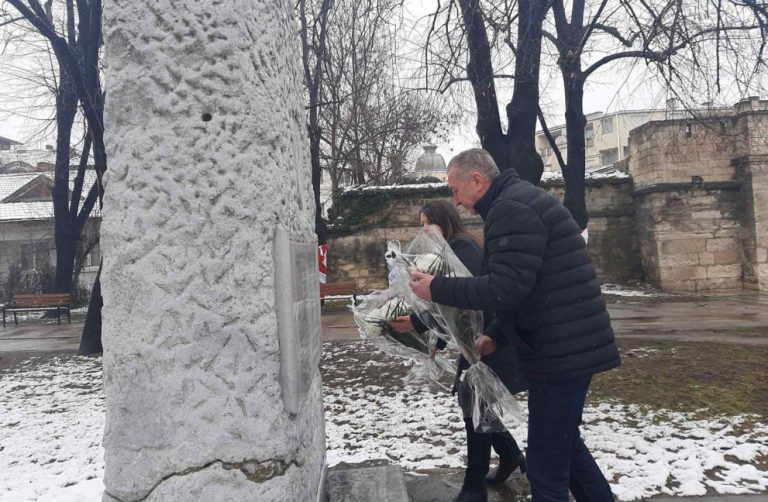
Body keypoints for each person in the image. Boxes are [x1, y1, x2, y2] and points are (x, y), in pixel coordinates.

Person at [409, 149, 620, 502]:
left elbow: (503, 289)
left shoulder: (511, 208)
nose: (456, 201)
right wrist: (495, 334)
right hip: (565, 346)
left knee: (546, 469)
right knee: (566, 450)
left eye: (455, 189)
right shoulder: (516, 202)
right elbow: (528, 287)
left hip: (561, 351)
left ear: (477, 180)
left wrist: (435, 287)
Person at [388, 200, 525, 502]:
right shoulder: (452, 247)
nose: (424, 229)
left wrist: (416, 322)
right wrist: (435, 337)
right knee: (478, 406)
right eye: (421, 223)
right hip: (477, 342)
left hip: (489, 341)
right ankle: (511, 455)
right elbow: (448, 307)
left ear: (444, 221)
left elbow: (460, 302)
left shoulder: (461, 248)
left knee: (475, 410)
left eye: (429, 222)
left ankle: (474, 488)